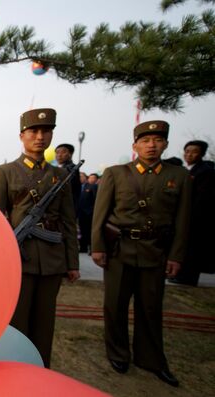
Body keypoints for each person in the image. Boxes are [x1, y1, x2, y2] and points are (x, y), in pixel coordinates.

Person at [91, 120, 191, 387]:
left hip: (155, 252)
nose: (151, 145)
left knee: (150, 307)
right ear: (135, 145)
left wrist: (176, 255)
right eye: (145, 141)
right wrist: (98, 247)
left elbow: (183, 220)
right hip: (119, 250)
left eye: (157, 140)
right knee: (115, 305)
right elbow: (100, 214)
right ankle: (118, 353)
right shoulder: (116, 173)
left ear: (166, 144)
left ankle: (150, 359)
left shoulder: (178, 176)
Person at [0, 108, 80, 368]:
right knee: (17, 321)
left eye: (46, 131)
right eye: (34, 131)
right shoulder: (5, 172)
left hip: (52, 259)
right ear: (22, 136)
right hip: (18, 260)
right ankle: (15, 369)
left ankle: (41, 369)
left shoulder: (61, 175)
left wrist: (72, 262)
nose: (40, 137)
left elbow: (68, 221)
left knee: (44, 322)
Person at [170, 140, 215, 286]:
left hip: (197, 217)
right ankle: (179, 274)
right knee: (183, 247)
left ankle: (188, 277)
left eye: (194, 151)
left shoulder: (205, 172)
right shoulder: (186, 170)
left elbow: (203, 199)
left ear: (201, 154)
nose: (189, 154)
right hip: (183, 215)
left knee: (193, 249)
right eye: (187, 151)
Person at [55, 143, 81, 215]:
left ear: (70, 154)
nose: (59, 155)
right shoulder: (57, 168)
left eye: (63, 152)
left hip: (67, 208)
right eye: (57, 152)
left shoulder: (71, 168)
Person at [78, 175, 98, 253]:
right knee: (82, 230)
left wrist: (92, 210)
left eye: (82, 176)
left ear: (86, 178)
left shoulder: (93, 186)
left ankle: (92, 248)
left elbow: (96, 199)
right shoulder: (78, 187)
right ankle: (83, 247)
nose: (80, 178)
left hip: (89, 213)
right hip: (80, 213)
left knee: (90, 231)